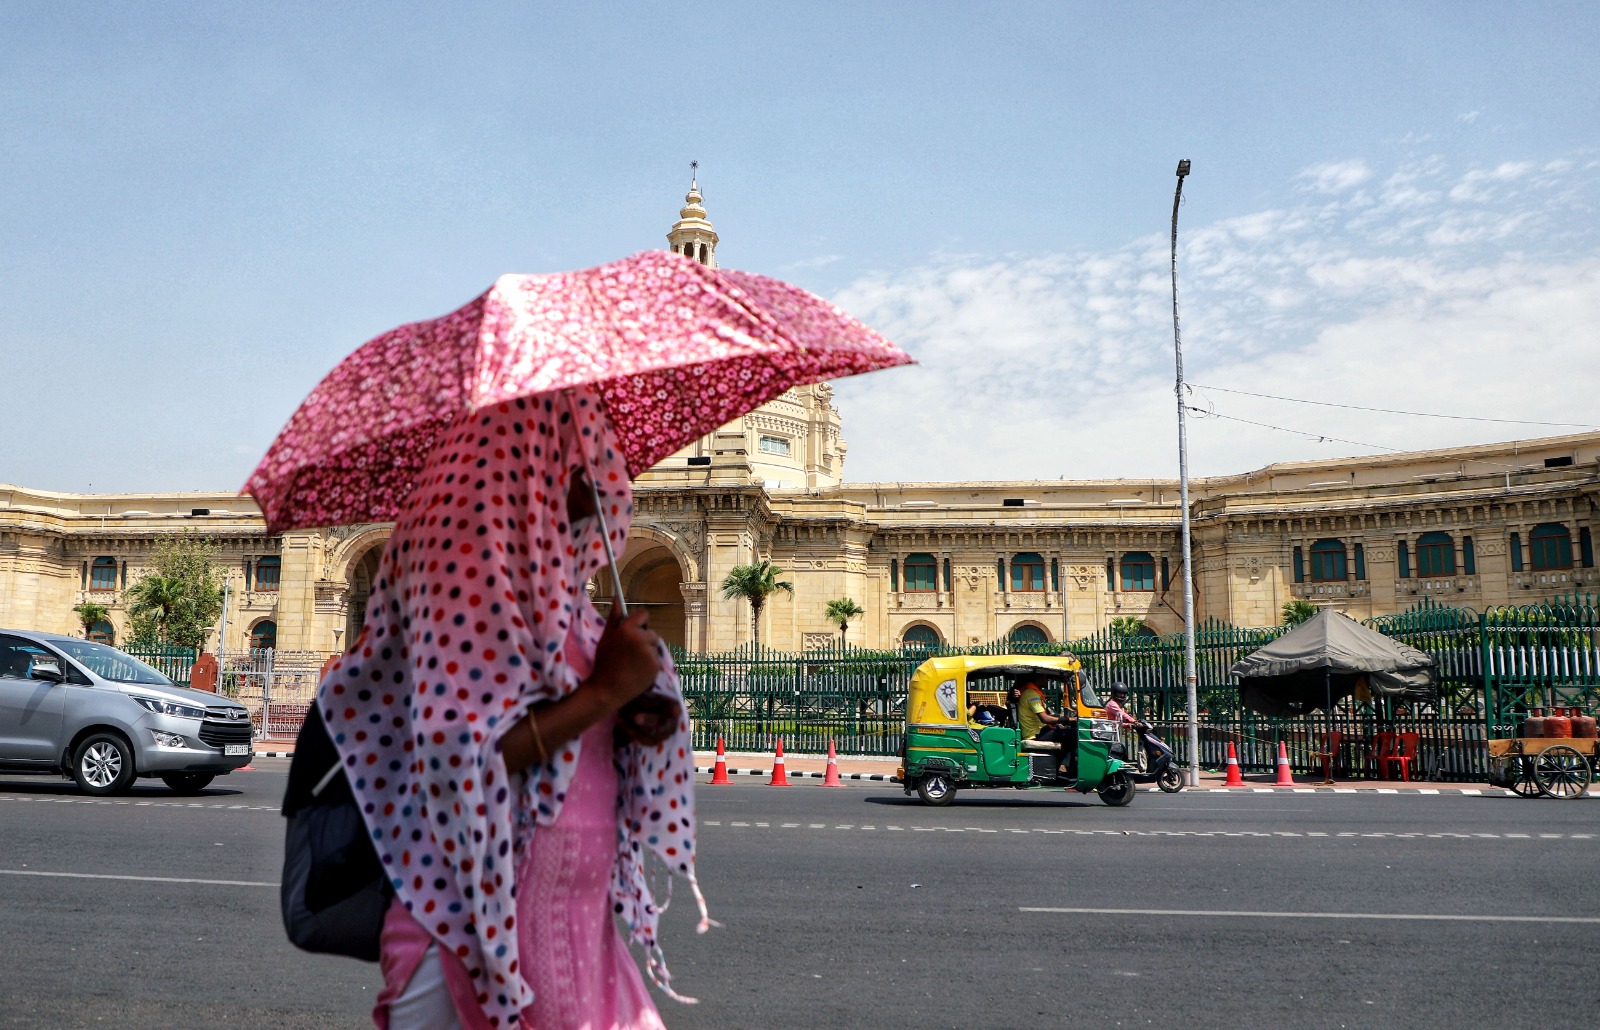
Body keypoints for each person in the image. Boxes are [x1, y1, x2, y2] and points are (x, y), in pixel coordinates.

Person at [319, 388, 710, 1030]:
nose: (602, 478)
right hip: (461, 930)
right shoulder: (466, 595)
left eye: (599, 454)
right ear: (519, 471)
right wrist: (603, 694)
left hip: (579, 924)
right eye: (573, 459)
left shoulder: (575, 611)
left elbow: (590, 741)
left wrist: (637, 714)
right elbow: (457, 760)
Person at [1012, 678, 1076, 777]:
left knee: (1068, 733)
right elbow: (1044, 719)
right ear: (1038, 678)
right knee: (1075, 734)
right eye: (1045, 678)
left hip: (1040, 730)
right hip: (1035, 733)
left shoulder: (1031, 692)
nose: (1047, 681)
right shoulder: (1031, 694)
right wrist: (1069, 719)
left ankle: (1064, 765)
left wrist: (1060, 722)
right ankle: (1064, 766)